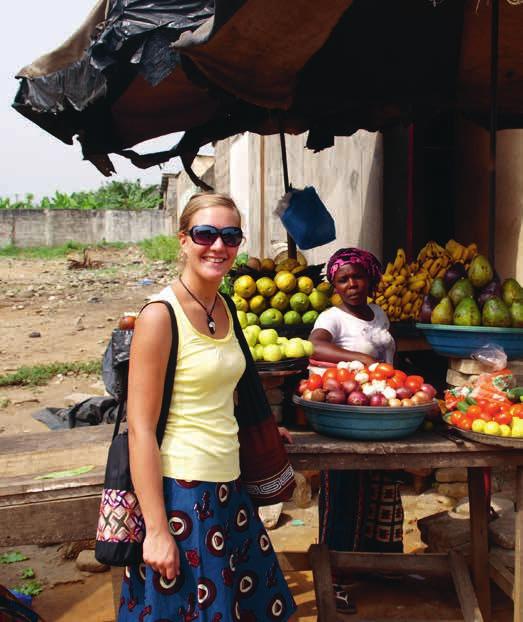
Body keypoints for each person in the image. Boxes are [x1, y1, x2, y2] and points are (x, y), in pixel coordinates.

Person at [119, 192, 297, 621]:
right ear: (183, 240)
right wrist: (158, 531)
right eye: (205, 234)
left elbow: (226, 391)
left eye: (230, 236)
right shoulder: (160, 316)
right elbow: (140, 428)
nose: (218, 246)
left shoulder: (225, 306)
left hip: (228, 487)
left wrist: (262, 433)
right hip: (184, 494)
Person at [309, 247, 402, 614]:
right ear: (334, 283)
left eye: (357, 277)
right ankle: (335, 578)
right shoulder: (331, 317)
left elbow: (388, 355)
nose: (351, 285)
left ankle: (381, 566)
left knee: (380, 489)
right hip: (347, 415)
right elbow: (315, 344)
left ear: (370, 279)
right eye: (343, 279)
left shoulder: (378, 313)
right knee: (342, 493)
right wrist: (361, 360)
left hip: (381, 411)